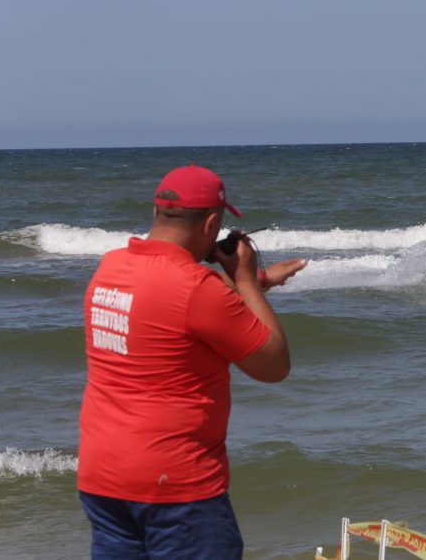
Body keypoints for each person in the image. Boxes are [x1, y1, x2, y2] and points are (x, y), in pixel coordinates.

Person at [77, 164, 307, 559]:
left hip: (102, 478)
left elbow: (174, 304)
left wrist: (259, 280)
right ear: (212, 223)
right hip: (175, 485)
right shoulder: (196, 289)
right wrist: (250, 282)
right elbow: (274, 366)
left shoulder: (110, 268)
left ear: (156, 213)